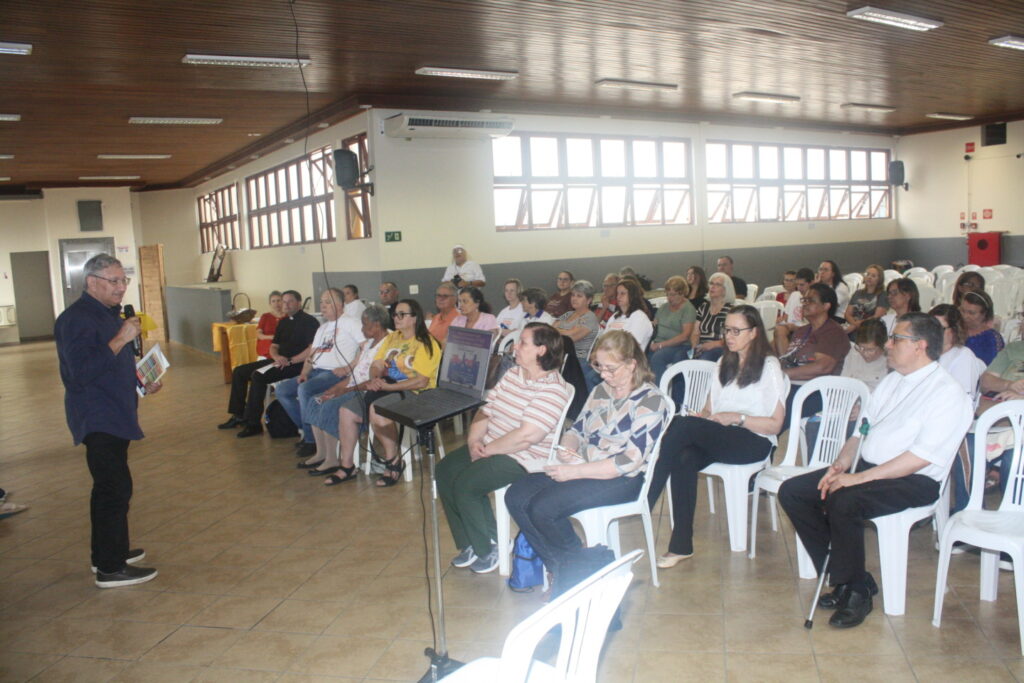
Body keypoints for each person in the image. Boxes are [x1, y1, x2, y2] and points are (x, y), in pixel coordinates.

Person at [778, 313, 973, 629]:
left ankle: (856, 592)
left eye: (896, 339)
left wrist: (857, 478)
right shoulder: (892, 379)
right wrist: (841, 463)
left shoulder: (948, 393)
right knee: (795, 492)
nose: (888, 344)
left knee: (844, 499)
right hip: (867, 468)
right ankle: (849, 578)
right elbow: (862, 431)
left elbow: (919, 457)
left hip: (913, 480)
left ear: (920, 346)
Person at [504, 331, 672, 578]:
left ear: (632, 364)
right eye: (599, 367)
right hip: (584, 465)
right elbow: (577, 429)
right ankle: (563, 569)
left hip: (623, 478)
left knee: (544, 508)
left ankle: (578, 572)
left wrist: (573, 471)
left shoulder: (651, 401)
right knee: (516, 495)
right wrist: (567, 447)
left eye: (610, 369)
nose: (603, 375)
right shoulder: (602, 391)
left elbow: (628, 461)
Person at [648, 305, 787, 566]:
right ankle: (681, 546)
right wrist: (703, 417)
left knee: (682, 425)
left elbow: (775, 425)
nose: (729, 336)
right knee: (684, 456)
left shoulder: (769, 366)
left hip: (753, 439)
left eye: (736, 330)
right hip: (722, 435)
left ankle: (646, 495)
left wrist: (738, 418)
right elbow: (708, 409)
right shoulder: (724, 362)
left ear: (754, 332)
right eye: (727, 330)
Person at [54, 254, 161, 588]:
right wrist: (120, 339)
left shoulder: (107, 314)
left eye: (123, 280)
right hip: (97, 414)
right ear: (92, 282)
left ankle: (110, 553)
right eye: (113, 281)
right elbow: (79, 373)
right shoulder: (76, 319)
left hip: (116, 409)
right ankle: (110, 568)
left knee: (116, 486)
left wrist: (142, 382)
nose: (121, 287)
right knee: (113, 488)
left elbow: (114, 364)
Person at [438, 323, 571, 573]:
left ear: (541, 350)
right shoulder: (513, 374)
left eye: (522, 342)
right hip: (491, 445)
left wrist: (487, 450)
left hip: (523, 457)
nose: (515, 347)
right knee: (446, 470)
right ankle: (469, 541)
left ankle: (491, 546)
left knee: (467, 483)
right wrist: (474, 441)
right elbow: (486, 409)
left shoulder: (553, 389)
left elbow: (526, 437)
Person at [337, 299, 442, 487]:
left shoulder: (427, 343)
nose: (396, 318)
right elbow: (377, 364)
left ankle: (393, 461)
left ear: (414, 318)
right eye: (395, 314)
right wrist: (375, 378)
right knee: (346, 411)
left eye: (402, 314)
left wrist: (386, 387)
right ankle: (347, 466)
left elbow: (421, 380)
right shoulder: (393, 338)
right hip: (386, 386)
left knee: (377, 411)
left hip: (416, 394)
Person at [298, 304, 390, 481]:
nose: (361, 329)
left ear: (377, 325)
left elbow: (370, 380)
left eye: (365, 324)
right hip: (353, 384)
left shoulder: (388, 343)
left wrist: (342, 392)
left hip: (365, 390)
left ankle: (333, 459)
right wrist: (335, 389)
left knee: (330, 405)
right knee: (316, 400)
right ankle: (321, 453)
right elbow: (354, 374)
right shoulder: (370, 343)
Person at [275, 288, 365, 457]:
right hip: (315, 371)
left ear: (339, 304)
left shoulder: (352, 323)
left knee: (305, 390)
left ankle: (311, 441)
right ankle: (307, 427)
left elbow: (366, 347)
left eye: (327, 302)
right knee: (283, 390)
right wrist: (304, 373)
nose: (322, 305)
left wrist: (349, 367)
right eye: (322, 302)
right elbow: (312, 354)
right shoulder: (323, 328)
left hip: (335, 374)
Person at [218, 290, 319, 438]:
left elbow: (312, 349)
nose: (285, 305)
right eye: (283, 302)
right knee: (239, 371)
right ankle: (238, 415)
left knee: (258, 376)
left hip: (297, 364)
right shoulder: (284, 322)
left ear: (298, 303)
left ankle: (253, 423)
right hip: (279, 361)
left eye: (290, 301)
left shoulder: (309, 321)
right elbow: (274, 346)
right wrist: (277, 356)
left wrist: (290, 360)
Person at [777, 283, 851, 421]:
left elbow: (822, 367)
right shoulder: (801, 331)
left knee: (772, 413)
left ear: (826, 306)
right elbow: (785, 359)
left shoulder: (832, 332)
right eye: (804, 300)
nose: (805, 304)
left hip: (815, 392)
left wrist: (783, 375)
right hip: (790, 386)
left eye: (810, 300)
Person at [931, 304, 984, 404]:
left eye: (939, 328)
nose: (932, 332)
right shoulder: (924, 354)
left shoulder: (963, 356)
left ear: (954, 330)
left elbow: (961, 400)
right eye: (929, 326)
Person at [647, 276, 697, 382]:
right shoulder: (663, 307)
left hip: (678, 345)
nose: (670, 298)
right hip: (658, 343)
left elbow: (685, 336)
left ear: (682, 293)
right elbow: (654, 326)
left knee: (657, 358)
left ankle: (661, 392)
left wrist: (661, 345)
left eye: (673, 295)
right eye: (668, 294)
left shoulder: (688, 309)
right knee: (640, 357)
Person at [690, 272, 735, 362]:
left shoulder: (730, 311)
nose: (712, 287)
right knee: (680, 357)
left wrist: (713, 344)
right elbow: (695, 333)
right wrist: (694, 348)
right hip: (701, 346)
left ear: (725, 290)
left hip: (720, 347)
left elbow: (731, 336)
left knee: (705, 359)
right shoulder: (703, 308)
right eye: (711, 283)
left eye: (717, 284)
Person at [553, 280, 600, 362]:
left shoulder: (590, 317)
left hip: (578, 358)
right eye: (573, 295)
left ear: (589, 300)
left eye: (579, 296)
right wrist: (569, 331)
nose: (574, 298)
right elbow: (550, 329)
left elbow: (570, 340)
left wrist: (557, 330)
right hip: (560, 355)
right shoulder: (568, 314)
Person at [841, 318, 889, 391]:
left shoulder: (890, 363)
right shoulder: (854, 352)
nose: (864, 353)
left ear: (883, 346)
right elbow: (843, 381)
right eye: (861, 347)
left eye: (870, 350)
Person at [605, 278, 654, 349]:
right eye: (617, 293)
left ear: (632, 295)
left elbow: (631, 347)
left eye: (622, 293)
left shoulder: (640, 317)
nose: (618, 297)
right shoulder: (615, 316)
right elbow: (603, 338)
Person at [961, 290, 1004, 365]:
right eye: (963, 311)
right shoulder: (953, 330)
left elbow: (995, 367)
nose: (965, 316)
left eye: (971, 313)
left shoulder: (992, 339)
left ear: (984, 314)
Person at [845, 265, 888, 335]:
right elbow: (847, 314)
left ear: (879, 279)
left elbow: (877, 316)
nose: (869, 277)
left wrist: (856, 325)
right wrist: (854, 324)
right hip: (852, 326)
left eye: (873, 276)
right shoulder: (857, 293)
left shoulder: (883, 295)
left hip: (869, 329)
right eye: (867, 274)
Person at [256, 291, 284, 357]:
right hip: (267, 343)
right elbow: (259, 334)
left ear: (283, 302)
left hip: (283, 343)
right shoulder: (265, 316)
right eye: (273, 301)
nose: (276, 303)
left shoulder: (288, 316)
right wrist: (272, 337)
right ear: (270, 303)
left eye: (278, 300)